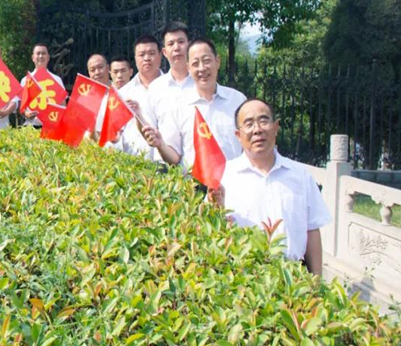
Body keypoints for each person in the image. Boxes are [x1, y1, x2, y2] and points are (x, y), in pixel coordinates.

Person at [211, 98, 331, 275]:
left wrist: (316, 281)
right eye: (249, 124)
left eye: (263, 121)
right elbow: (212, 233)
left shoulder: (300, 175)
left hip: (293, 280)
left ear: (276, 127)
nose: (257, 129)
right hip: (242, 279)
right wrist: (216, 209)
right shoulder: (223, 176)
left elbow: (312, 230)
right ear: (238, 135)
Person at [142, 38, 246, 171]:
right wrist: (160, 144)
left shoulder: (237, 100)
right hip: (193, 182)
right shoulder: (178, 105)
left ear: (217, 61)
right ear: (189, 68)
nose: (202, 68)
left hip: (233, 180)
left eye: (207, 61)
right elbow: (175, 157)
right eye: (195, 63)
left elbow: (249, 147)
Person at [146, 22, 195, 129]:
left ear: (189, 46)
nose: (176, 48)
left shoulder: (201, 83)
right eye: (171, 44)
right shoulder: (155, 88)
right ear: (164, 52)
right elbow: (150, 129)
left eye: (181, 42)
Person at [20, 43, 65, 127]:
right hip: (31, 126)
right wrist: (26, 114)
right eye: (38, 53)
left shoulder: (57, 79)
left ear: (48, 58)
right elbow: (21, 106)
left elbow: (63, 105)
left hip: (51, 126)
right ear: (33, 58)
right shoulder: (25, 80)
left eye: (43, 53)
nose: (41, 56)